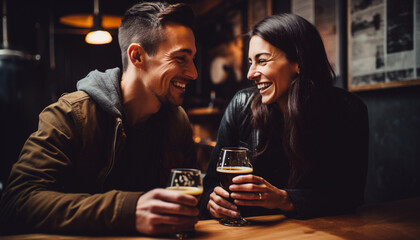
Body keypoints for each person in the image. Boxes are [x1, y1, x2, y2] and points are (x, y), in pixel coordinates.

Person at [0, 1, 199, 236]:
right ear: (137, 56)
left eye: (193, 59)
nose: (194, 73)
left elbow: (191, 198)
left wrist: (213, 202)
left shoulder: (179, 122)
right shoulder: (71, 115)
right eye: (180, 59)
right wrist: (128, 211)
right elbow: (17, 202)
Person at [200, 13, 369, 220]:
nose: (250, 74)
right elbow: (210, 185)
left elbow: (349, 197)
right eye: (250, 62)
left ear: (298, 62)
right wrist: (212, 202)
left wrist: (284, 199)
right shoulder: (240, 105)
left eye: (262, 61)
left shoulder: (348, 110)